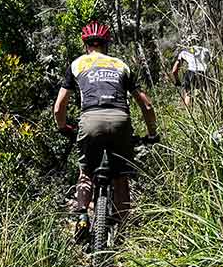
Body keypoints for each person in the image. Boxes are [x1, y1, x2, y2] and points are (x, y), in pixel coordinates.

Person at [53, 21, 158, 236]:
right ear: (106, 44)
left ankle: (82, 216)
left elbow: (58, 107)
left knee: (85, 171)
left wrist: (63, 127)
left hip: (90, 120)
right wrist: (151, 134)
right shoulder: (120, 65)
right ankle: (125, 231)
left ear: (86, 45)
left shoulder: (77, 64)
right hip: (120, 120)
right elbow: (146, 106)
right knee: (120, 177)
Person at [170, 37, 211, 106]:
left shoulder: (184, 52)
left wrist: (177, 81)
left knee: (188, 94)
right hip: (204, 74)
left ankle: (188, 111)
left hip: (191, 73)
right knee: (205, 93)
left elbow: (174, 70)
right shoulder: (206, 50)